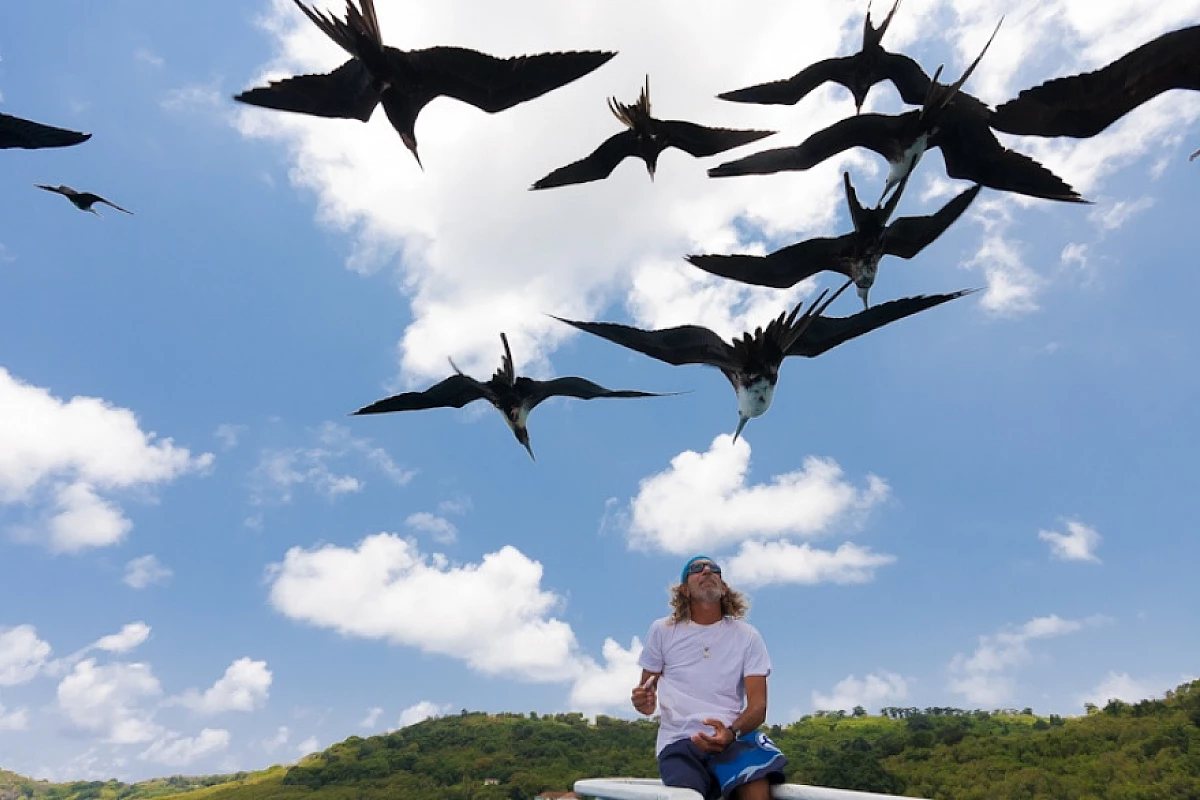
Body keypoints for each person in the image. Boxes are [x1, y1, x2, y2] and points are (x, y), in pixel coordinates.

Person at [631, 555, 787, 800]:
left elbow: (758, 707)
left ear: (723, 587)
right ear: (684, 589)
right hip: (679, 742)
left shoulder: (747, 636)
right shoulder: (662, 631)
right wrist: (643, 702)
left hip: (732, 738)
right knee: (688, 797)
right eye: (696, 569)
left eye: (714, 569)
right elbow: (645, 698)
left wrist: (731, 732)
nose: (706, 570)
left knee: (756, 787)